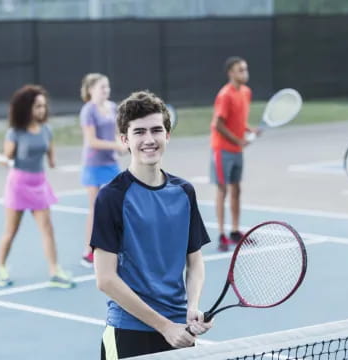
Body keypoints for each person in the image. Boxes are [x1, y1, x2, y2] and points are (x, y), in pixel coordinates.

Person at [91, 90, 213, 359]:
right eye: (139, 132)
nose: (149, 139)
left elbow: (195, 261)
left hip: (180, 332)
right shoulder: (111, 197)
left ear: (167, 135)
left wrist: (192, 307)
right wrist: (164, 326)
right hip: (129, 332)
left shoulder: (184, 192)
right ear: (125, 140)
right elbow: (105, 279)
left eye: (156, 130)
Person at [0, 84, 74, 289]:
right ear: (26, 107)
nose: (42, 110)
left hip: (39, 183)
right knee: (11, 231)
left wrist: (56, 164)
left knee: (48, 228)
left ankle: (54, 271)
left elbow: (51, 158)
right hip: (18, 185)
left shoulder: (47, 130)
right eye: (37, 106)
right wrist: (2, 160)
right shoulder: (15, 133)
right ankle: (0, 268)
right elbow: (7, 159)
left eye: (43, 106)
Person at [210, 56, 259, 252]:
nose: (244, 73)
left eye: (245, 69)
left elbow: (237, 119)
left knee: (237, 189)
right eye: (240, 70)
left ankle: (235, 231)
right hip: (222, 149)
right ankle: (222, 234)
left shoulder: (246, 92)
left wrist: (248, 130)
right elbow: (218, 124)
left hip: (237, 150)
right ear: (231, 73)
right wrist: (238, 140)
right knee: (223, 190)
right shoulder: (225, 95)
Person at [79, 73, 126, 268]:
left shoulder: (113, 107)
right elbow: (92, 141)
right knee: (96, 208)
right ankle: (88, 250)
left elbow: (117, 133)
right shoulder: (88, 111)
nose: (106, 90)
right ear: (91, 90)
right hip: (93, 164)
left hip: (111, 164)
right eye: (101, 87)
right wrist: (117, 147)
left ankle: (117, 247)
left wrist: (122, 145)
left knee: (117, 206)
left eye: (107, 87)